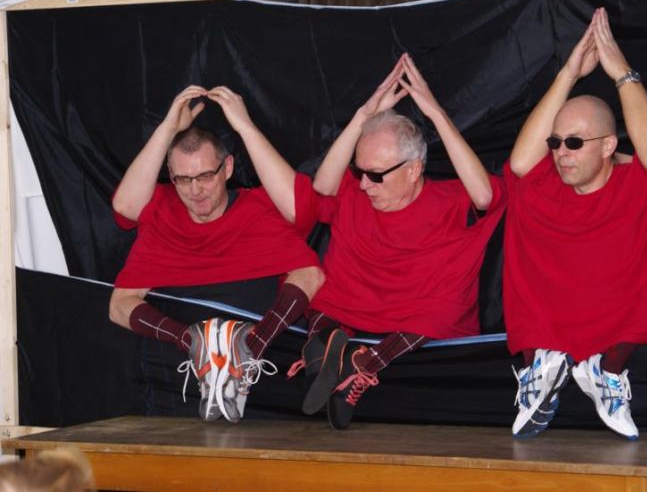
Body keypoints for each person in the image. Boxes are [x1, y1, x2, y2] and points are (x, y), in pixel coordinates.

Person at [279, 54, 506, 429]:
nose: (364, 184)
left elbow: (485, 196)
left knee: (439, 315)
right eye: (359, 172)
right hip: (350, 303)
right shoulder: (355, 191)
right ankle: (333, 347)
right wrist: (363, 115)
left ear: (414, 169)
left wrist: (436, 114)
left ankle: (358, 362)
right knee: (323, 300)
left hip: (417, 313)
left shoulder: (453, 199)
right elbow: (322, 185)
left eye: (376, 175)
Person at [503, 8, 647, 440]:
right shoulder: (541, 187)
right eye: (556, 142)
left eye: (574, 142)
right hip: (550, 319)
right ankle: (540, 369)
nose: (560, 153)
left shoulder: (640, 183)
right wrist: (569, 73)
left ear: (609, 146)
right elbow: (520, 161)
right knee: (527, 304)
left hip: (617, 315)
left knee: (644, 305)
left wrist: (621, 72)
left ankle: (605, 371)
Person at [109, 86, 324, 423]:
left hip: (259, 337)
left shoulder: (256, 208)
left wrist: (244, 126)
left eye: (206, 176)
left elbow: (304, 231)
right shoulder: (161, 210)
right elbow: (124, 209)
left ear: (227, 168)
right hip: (183, 344)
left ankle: (247, 351)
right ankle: (196, 344)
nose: (195, 190)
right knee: (118, 304)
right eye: (183, 179)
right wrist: (167, 128)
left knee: (309, 273)